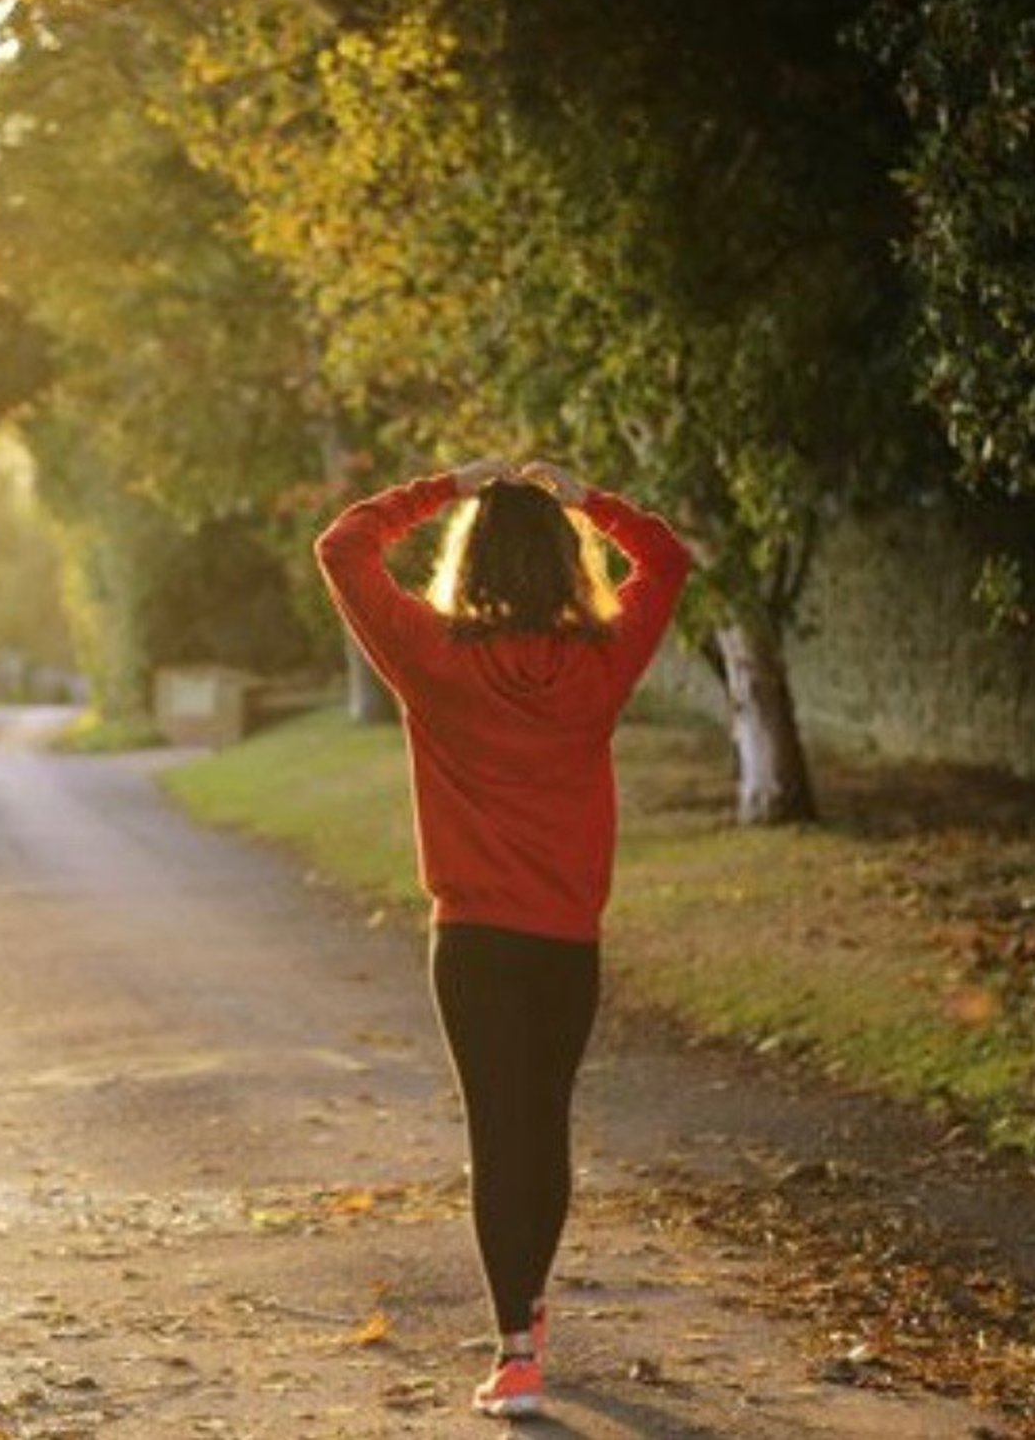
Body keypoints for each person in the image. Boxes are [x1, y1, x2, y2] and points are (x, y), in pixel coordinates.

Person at [312, 456, 693, 1418]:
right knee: (544, 1124)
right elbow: (668, 558)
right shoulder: (602, 661)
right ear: (567, 563)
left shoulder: (431, 656)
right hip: (566, 940)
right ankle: (527, 1314)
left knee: (497, 1129)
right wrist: (588, 500)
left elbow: (343, 546)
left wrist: (445, 485)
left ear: (469, 559)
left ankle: (516, 1349)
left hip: (474, 943)